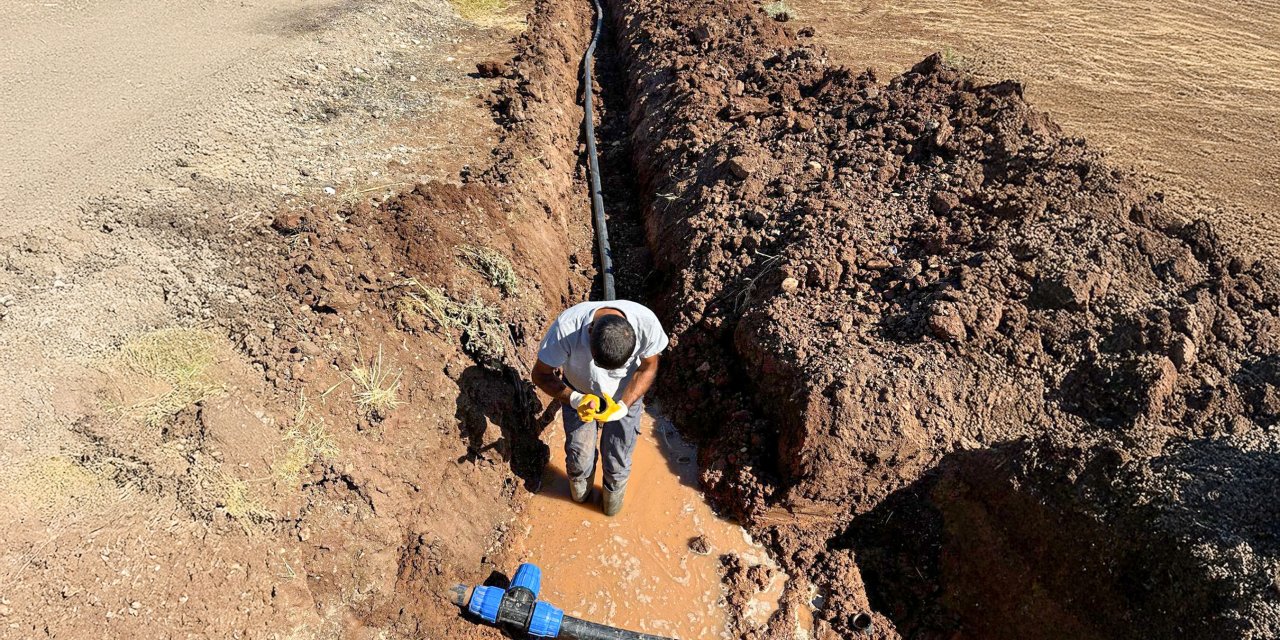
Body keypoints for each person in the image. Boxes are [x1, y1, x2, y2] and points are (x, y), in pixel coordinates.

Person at [531, 300, 668, 516]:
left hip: (625, 396)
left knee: (617, 465)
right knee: (579, 461)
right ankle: (581, 499)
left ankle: (610, 509)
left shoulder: (646, 323)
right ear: (589, 331)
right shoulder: (566, 329)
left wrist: (623, 407)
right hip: (578, 391)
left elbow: (648, 367)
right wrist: (576, 399)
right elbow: (540, 374)